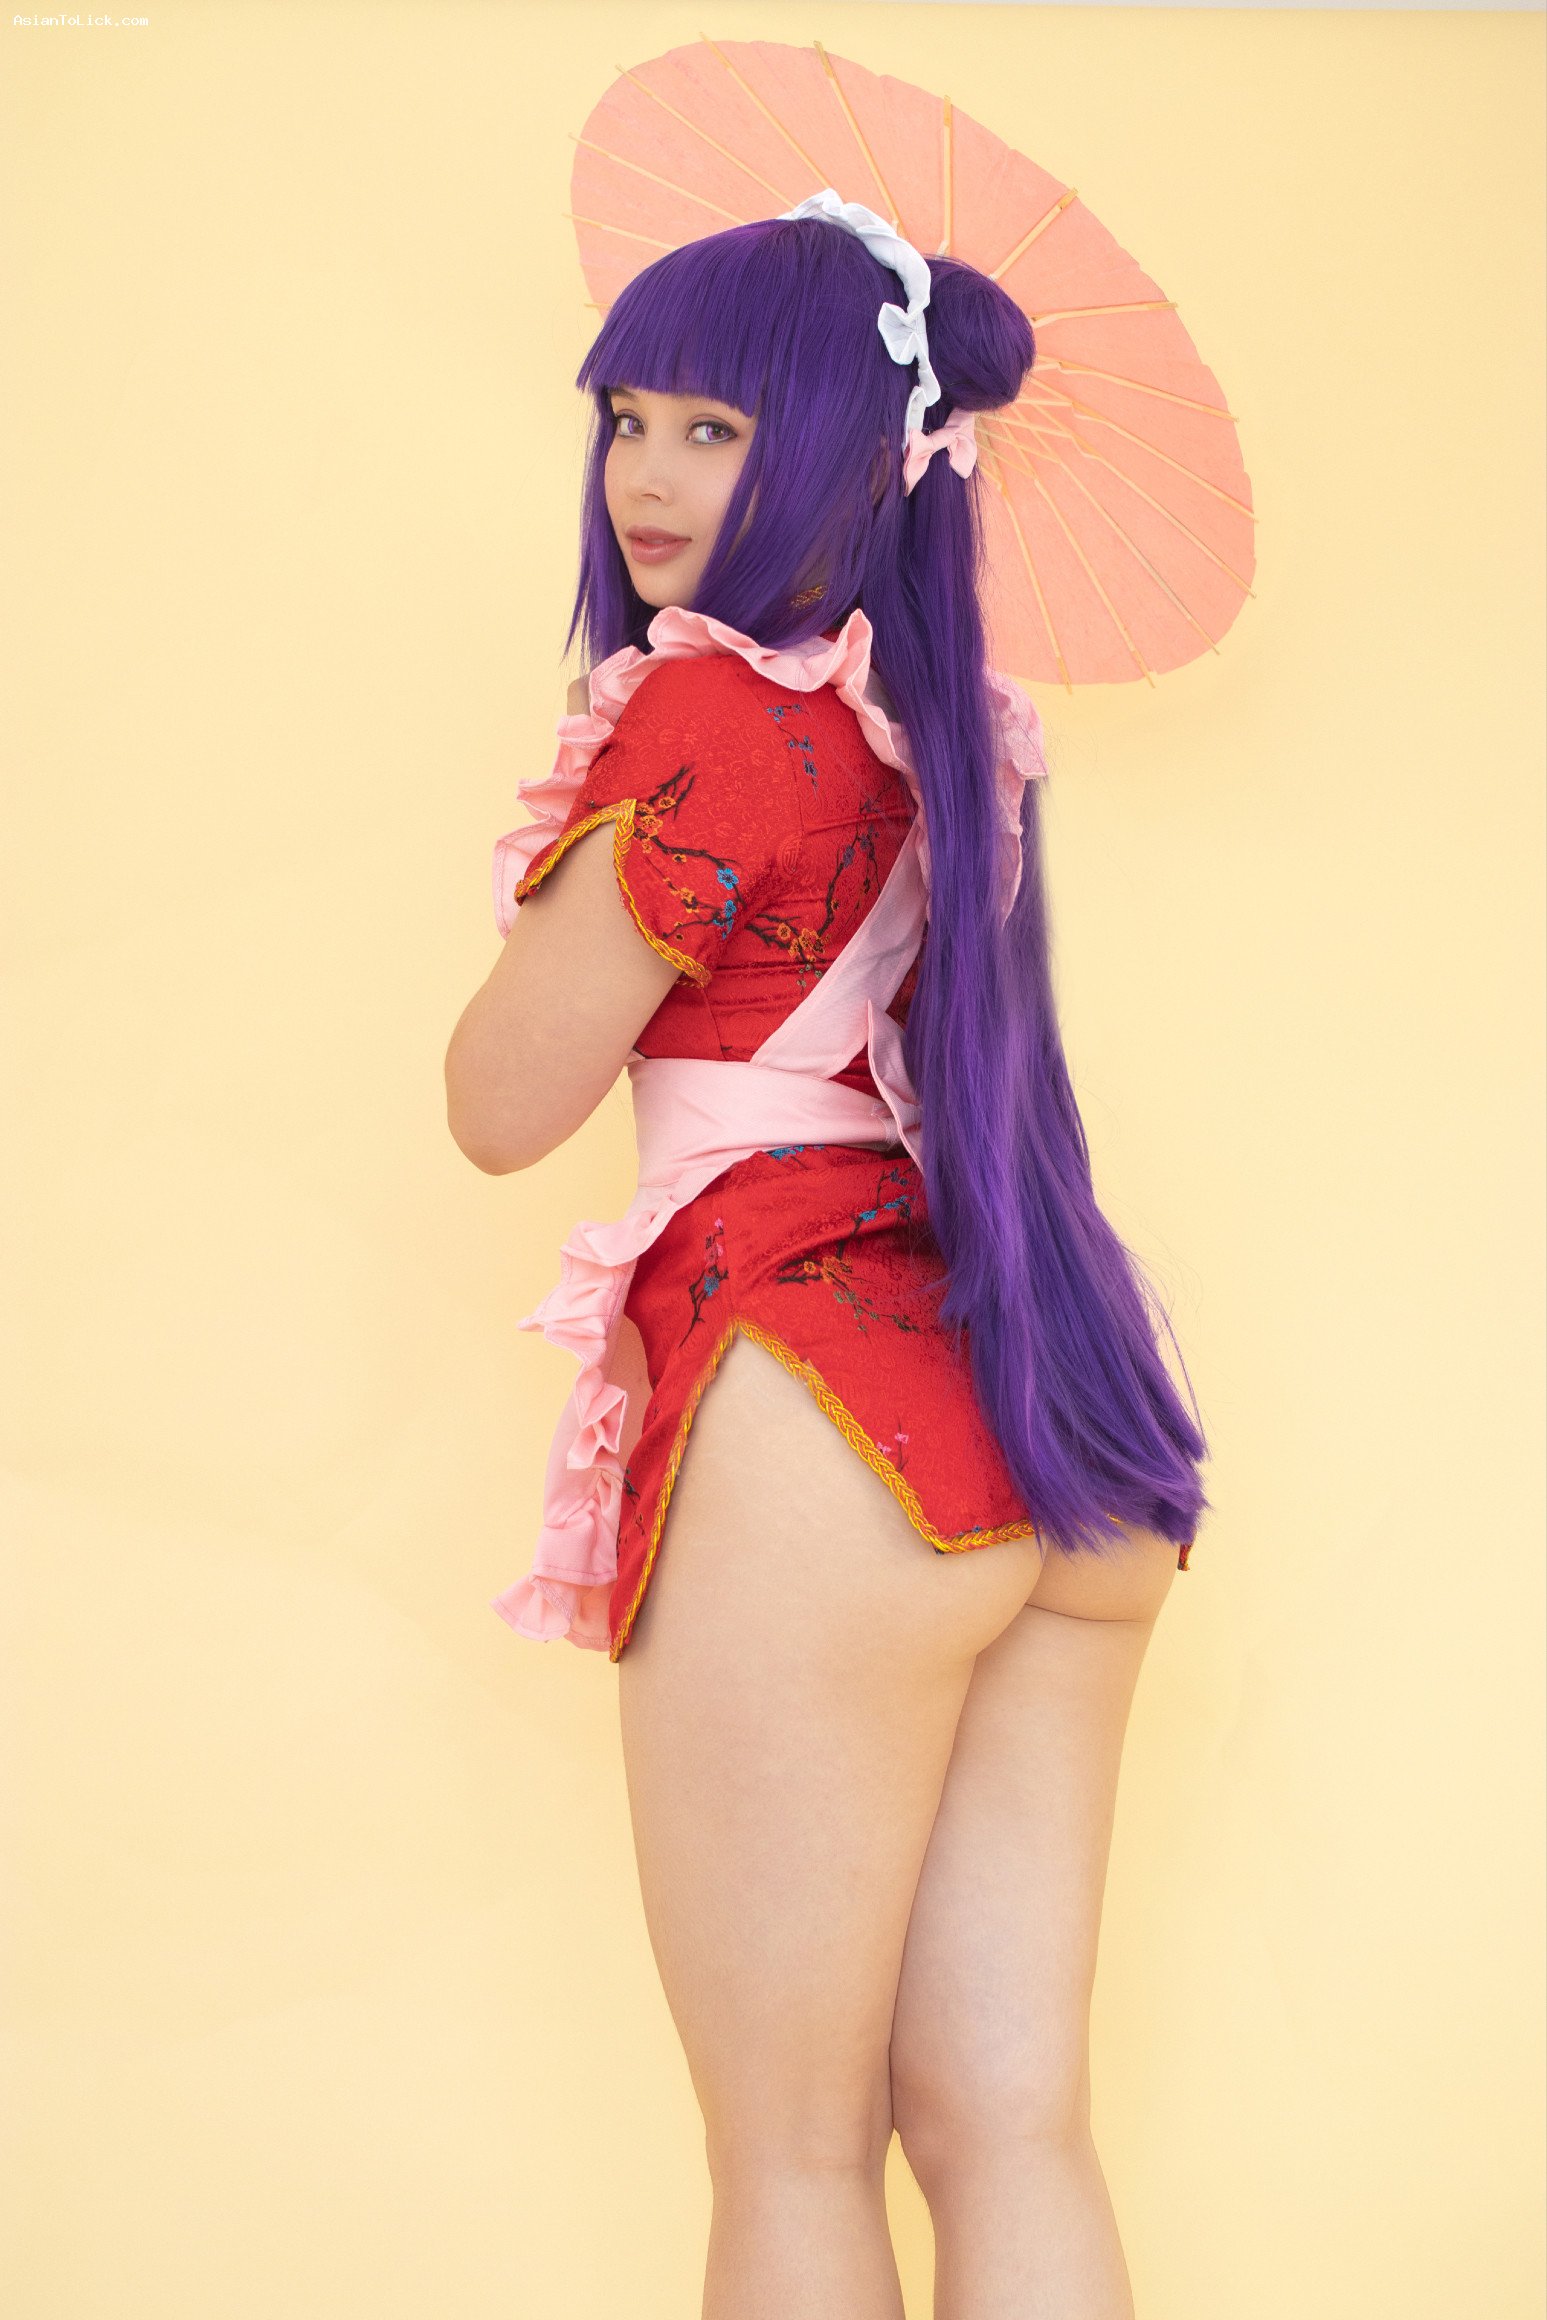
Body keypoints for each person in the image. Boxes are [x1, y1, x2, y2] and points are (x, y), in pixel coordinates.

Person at [445, 193, 1210, 2320]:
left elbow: (500, 1097)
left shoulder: (710, 719)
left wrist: (569, 868)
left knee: (791, 2151)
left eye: (716, 426)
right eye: (628, 417)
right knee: (1012, 2126)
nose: (649, 474)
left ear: (857, 459)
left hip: (814, 1416)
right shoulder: (947, 732)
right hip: (1047, 1417)